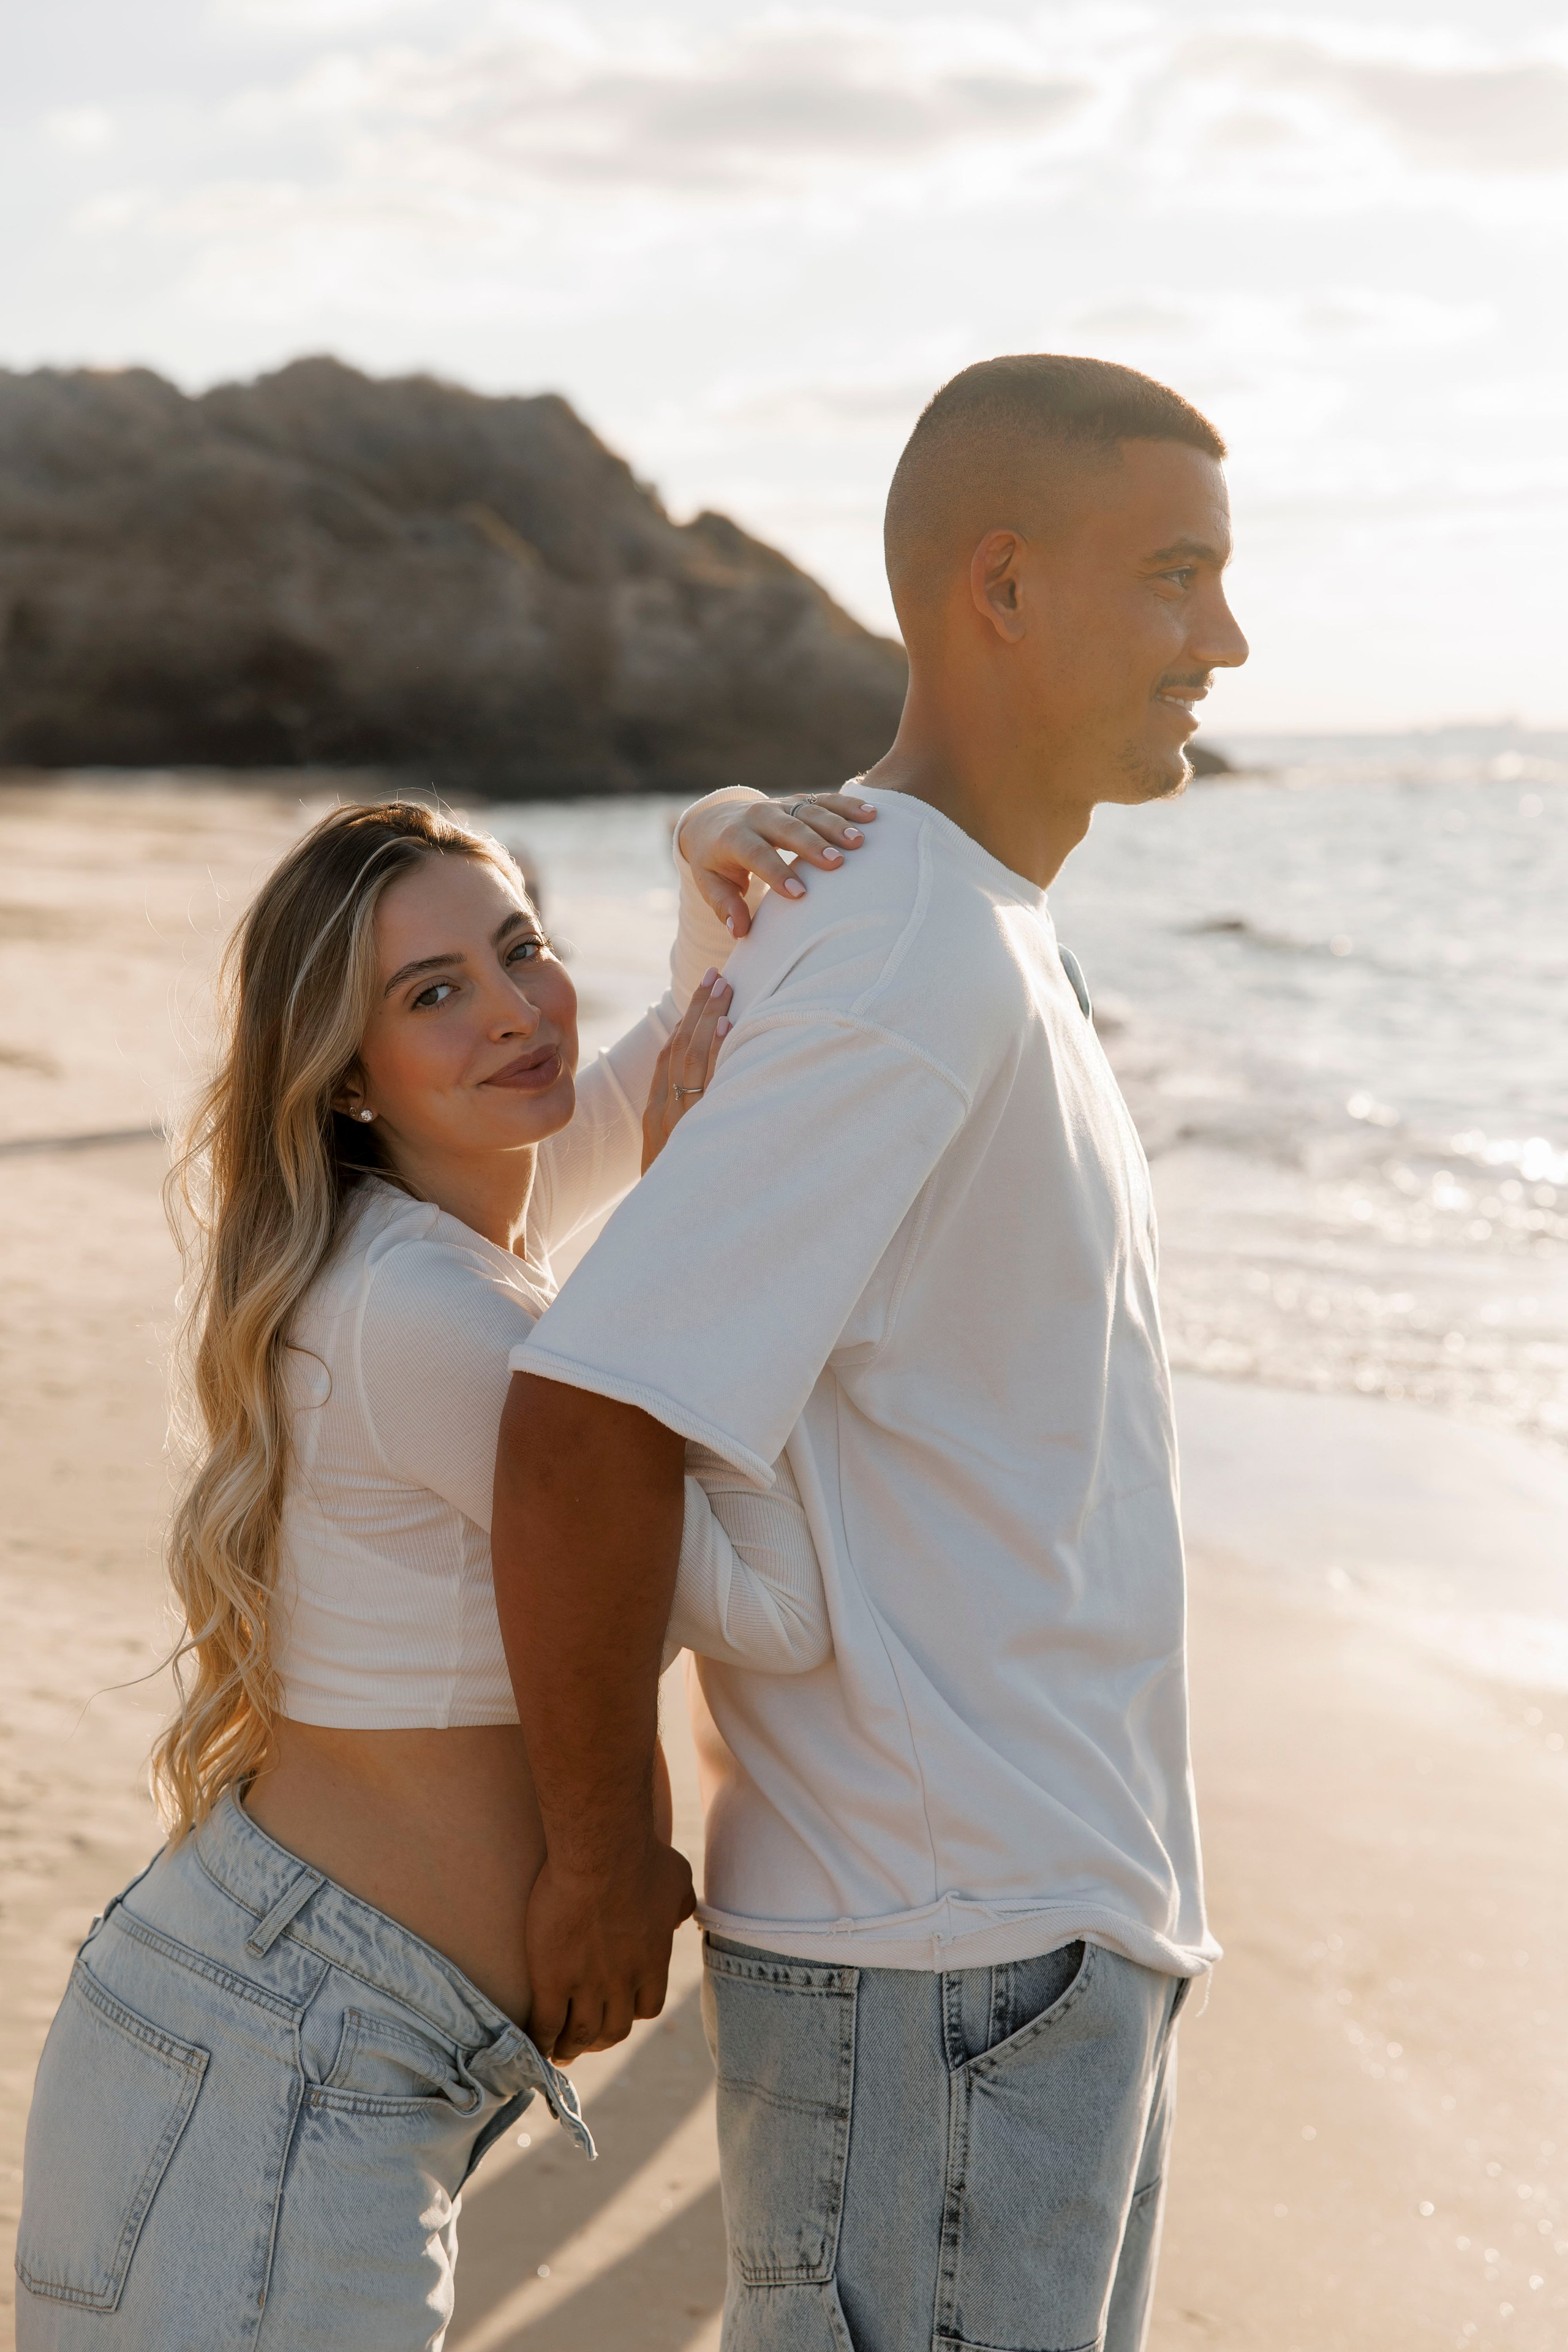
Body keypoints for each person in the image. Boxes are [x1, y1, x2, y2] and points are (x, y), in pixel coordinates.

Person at [494, 353, 1251, 2352]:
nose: (1225, 641)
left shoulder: (964, 923)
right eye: (1176, 575)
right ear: (1001, 585)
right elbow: (587, 1413)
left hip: (1040, 1944)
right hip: (946, 1965)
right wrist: (603, 1850)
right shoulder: (909, 938)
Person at [14, 783, 872, 2352]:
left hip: (281, 2033)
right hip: (283, 2059)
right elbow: (774, 1605)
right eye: (432, 993)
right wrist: (695, 1229)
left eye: (520, 949)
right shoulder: (429, 1313)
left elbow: (658, 1062)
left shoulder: (440, 1227)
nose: (513, 1013)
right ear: (348, 1074)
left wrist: (712, 845)